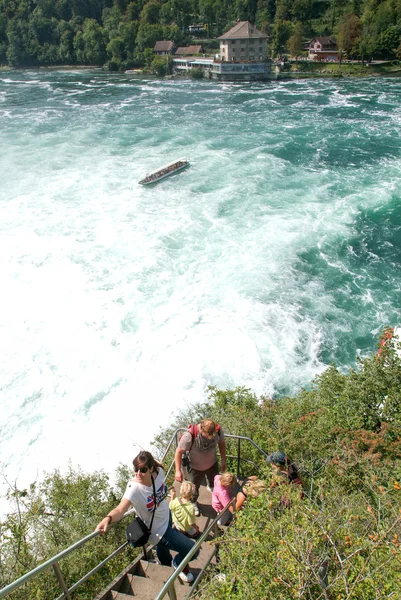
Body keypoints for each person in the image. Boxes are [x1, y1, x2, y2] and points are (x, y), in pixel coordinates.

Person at [96, 451, 199, 583]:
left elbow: (159, 465)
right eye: (136, 469)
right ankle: (178, 563)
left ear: (151, 469)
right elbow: (120, 509)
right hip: (158, 532)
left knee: (163, 552)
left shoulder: (159, 472)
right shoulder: (134, 489)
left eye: (143, 470)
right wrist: (107, 518)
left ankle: (165, 564)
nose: (138, 473)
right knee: (193, 551)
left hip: (167, 517)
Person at [175, 419, 227, 516]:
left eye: (213, 434)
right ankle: (193, 502)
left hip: (212, 463)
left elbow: (221, 443)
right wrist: (178, 471)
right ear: (202, 430)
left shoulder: (217, 430)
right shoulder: (189, 436)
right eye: (208, 435)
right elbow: (178, 452)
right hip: (195, 468)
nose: (211, 437)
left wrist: (223, 459)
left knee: (214, 480)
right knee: (193, 488)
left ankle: (211, 487)